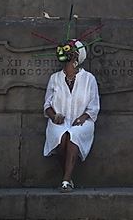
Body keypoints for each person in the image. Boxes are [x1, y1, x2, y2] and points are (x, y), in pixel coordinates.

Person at [43, 39, 100, 191]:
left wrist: (83, 117)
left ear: (76, 57)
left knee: (74, 135)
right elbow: (47, 105)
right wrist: (54, 116)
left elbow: (94, 106)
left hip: (82, 121)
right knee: (61, 139)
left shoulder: (89, 79)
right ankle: (67, 175)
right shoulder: (55, 78)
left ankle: (66, 180)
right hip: (59, 121)